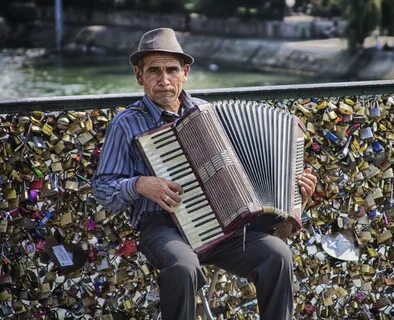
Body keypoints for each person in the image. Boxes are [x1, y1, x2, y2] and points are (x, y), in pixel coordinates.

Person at [91, 28, 317, 320]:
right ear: (139, 75)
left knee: (278, 256)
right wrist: (139, 184)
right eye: (154, 71)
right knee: (183, 267)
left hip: (224, 226)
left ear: (185, 72)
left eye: (172, 70)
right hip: (164, 228)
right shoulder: (125, 125)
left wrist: (296, 192)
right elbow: (102, 188)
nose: (164, 80)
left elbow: (243, 177)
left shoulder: (209, 113)